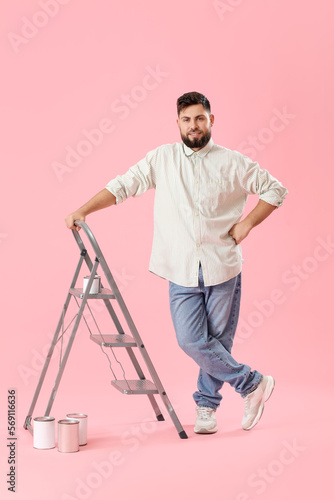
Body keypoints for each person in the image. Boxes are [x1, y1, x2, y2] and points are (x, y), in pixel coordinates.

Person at [65, 91, 288, 434]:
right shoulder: (161, 159)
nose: (194, 125)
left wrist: (246, 225)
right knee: (192, 340)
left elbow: (275, 190)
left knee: (218, 341)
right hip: (180, 269)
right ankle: (253, 384)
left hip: (222, 266)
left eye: (200, 118)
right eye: (187, 119)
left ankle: (206, 407)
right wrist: (84, 209)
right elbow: (123, 186)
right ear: (178, 123)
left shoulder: (232, 162)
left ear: (211, 120)